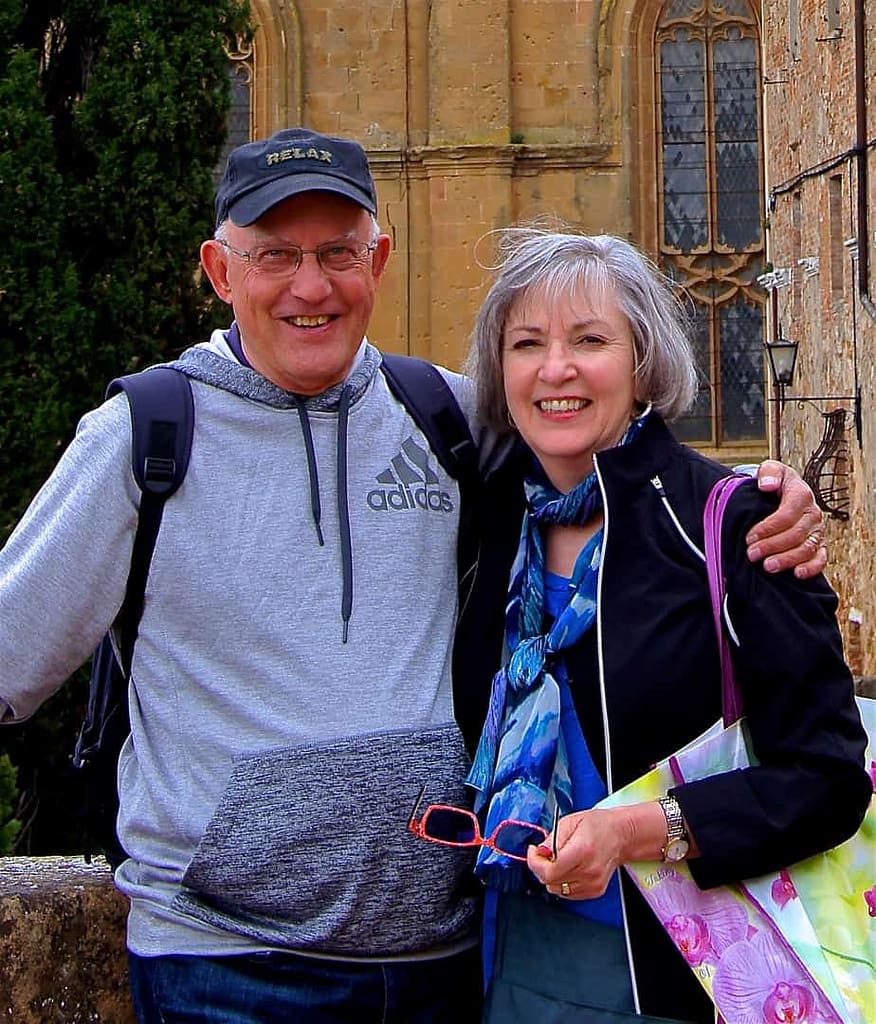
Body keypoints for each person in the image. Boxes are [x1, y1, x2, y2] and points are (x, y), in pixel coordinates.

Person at [0, 129, 828, 1023]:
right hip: (228, 964)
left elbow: (601, 457)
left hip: (447, 961)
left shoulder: (444, 418)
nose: (310, 286)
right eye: (274, 253)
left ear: (379, 259)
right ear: (219, 269)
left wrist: (766, 495)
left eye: (337, 253)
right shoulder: (144, 438)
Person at [454, 228, 871, 1023]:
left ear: (642, 364)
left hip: (683, 972)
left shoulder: (733, 525)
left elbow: (828, 780)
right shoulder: (487, 518)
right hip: (510, 962)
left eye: (590, 340)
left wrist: (640, 831)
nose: (556, 370)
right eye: (527, 343)